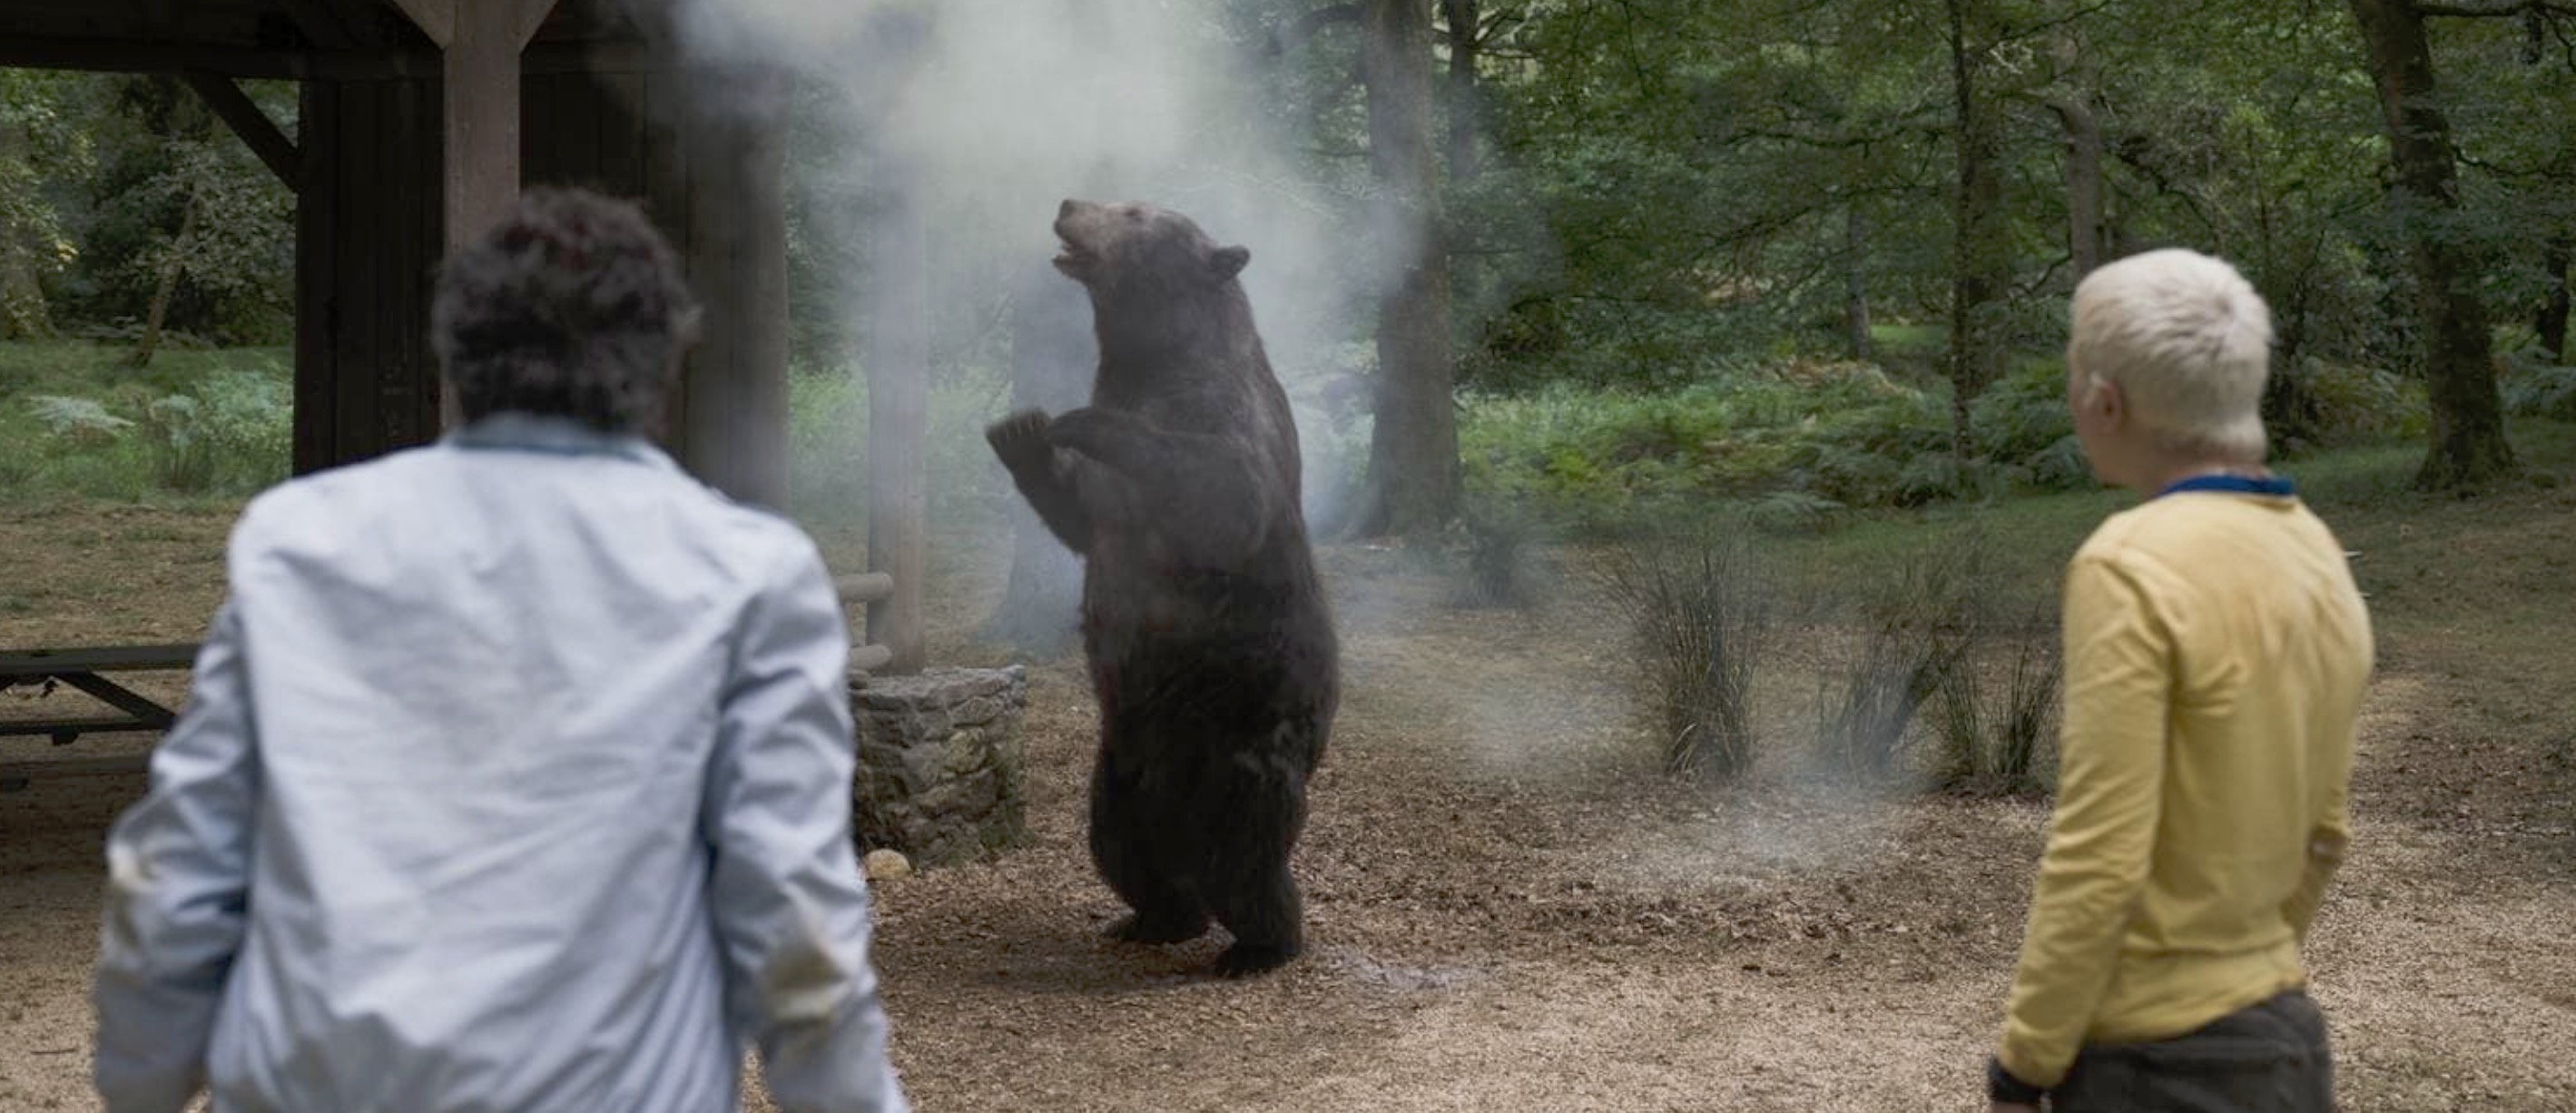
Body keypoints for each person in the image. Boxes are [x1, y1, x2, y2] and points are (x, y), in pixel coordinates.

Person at [92, 187, 910, 1113]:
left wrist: (143, 1086)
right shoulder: (748, 576)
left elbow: (181, 873)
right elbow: (793, 920)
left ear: (457, 354)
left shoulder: (300, 543)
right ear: (661, 363)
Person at [1986, 248, 2374, 1112]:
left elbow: (2101, 848)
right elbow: (2327, 831)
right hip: (2282, 1045)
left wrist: (2025, 1060)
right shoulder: (2316, 551)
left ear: (2104, 400)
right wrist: (2245, 972)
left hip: (2154, 1068)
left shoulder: (2129, 564)